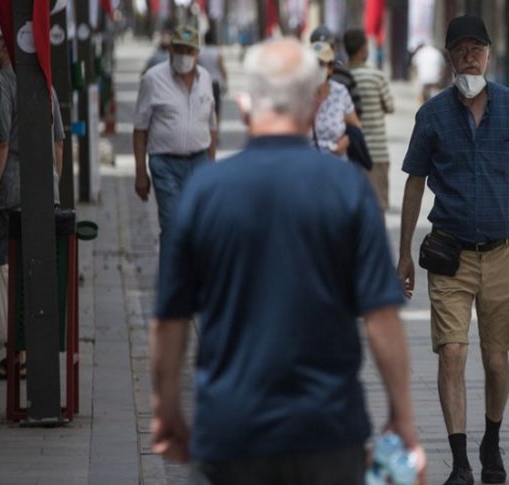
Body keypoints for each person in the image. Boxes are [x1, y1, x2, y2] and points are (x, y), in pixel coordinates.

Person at [149, 37, 424, 485]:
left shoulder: (203, 193)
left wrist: (165, 410)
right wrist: (403, 419)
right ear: (316, 107)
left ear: (243, 106)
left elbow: (170, 320)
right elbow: (381, 317)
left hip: (230, 433)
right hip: (328, 435)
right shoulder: (348, 191)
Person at [397, 15, 509, 485]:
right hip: (450, 255)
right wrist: (403, 252)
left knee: (496, 357)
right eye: (460, 49)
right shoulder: (433, 115)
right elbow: (414, 184)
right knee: (453, 353)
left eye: (476, 48)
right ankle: (461, 461)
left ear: (488, 53)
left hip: (505, 252)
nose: (469, 56)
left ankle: (491, 440)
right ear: (448, 57)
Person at [0, 18, 65, 379]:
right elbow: (58, 141)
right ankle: (26, 353)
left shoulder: (1, 83)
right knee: (31, 275)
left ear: (5, 43)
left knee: (8, 278)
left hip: (8, 197)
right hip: (42, 197)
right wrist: (51, 183)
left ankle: (15, 357)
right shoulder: (43, 79)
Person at [133, 24, 217, 262]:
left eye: (189, 51)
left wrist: (211, 165)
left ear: (197, 53)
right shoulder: (153, 79)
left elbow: (212, 126)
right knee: (172, 226)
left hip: (199, 161)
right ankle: (172, 285)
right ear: (170, 50)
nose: (184, 56)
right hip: (165, 164)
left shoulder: (206, 79)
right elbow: (140, 129)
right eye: (179, 49)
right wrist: (141, 171)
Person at [344, 28, 394, 211]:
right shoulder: (377, 77)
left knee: (352, 208)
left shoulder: (340, 77)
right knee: (377, 207)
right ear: (364, 49)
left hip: (350, 152)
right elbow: (390, 106)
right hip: (376, 153)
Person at [311, 41, 361, 160]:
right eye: (313, 64)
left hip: (336, 165)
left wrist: (347, 140)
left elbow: (356, 126)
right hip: (306, 167)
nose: (317, 68)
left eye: (321, 64)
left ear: (330, 68)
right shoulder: (298, 93)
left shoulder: (340, 92)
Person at [310, 25, 362, 117]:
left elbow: (356, 110)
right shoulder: (304, 80)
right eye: (319, 48)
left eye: (329, 48)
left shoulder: (344, 76)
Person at [197, 29, 228, 122]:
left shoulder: (200, 52)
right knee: (216, 109)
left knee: (204, 108)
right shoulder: (217, 51)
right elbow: (222, 68)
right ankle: (216, 131)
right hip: (215, 83)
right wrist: (226, 82)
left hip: (203, 83)